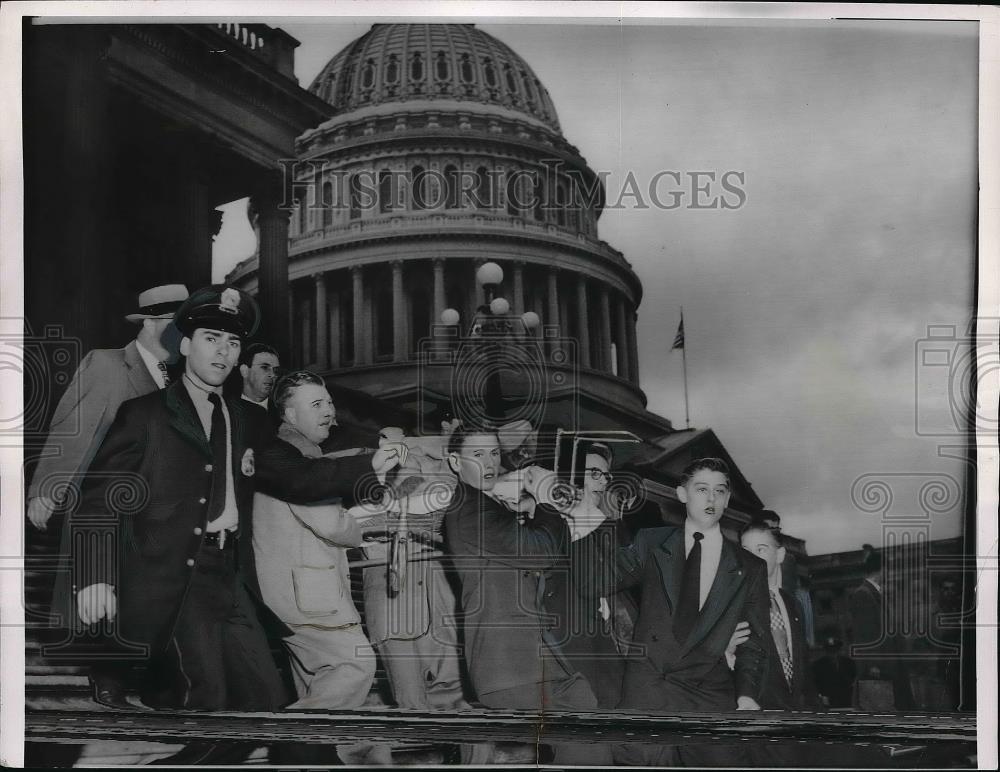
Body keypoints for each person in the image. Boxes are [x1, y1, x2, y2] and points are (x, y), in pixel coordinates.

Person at [72, 286, 286, 763]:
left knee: (263, 706)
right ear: (185, 345)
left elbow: (300, 465)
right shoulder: (144, 416)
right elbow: (96, 501)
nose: (223, 352)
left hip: (230, 578)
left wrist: (375, 456)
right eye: (212, 339)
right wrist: (95, 576)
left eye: (232, 344)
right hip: (174, 579)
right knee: (208, 702)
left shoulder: (247, 420)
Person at [26, 283, 189, 708]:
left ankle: (158, 680)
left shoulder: (180, 376)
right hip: (111, 504)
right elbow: (74, 426)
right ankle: (109, 678)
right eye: (178, 324)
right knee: (105, 590)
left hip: (161, 510)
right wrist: (47, 488)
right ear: (153, 323)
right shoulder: (109, 364)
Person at [442, 428, 612, 766]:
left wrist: (539, 505)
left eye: (493, 453)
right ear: (454, 462)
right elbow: (543, 552)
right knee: (584, 724)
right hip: (509, 666)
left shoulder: (488, 507)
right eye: (477, 455)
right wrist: (545, 499)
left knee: (586, 713)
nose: (490, 462)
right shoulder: (470, 511)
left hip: (529, 661)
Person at [610, 457, 769, 767]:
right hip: (648, 694)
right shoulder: (650, 543)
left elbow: (755, 641)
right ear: (682, 494)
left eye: (720, 491)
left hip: (709, 694)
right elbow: (595, 578)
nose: (711, 499)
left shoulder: (750, 567)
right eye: (701, 489)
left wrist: (747, 695)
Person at [251, 370, 380, 710]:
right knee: (356, 664)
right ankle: (288, 740)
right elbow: (331, 524)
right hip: (310, 596)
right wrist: (367, 525)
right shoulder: (300, 454)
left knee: (317, 686)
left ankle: (314, 754)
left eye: (330, 403)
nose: (329, 412)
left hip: (287, 594)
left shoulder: (282, 452)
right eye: (317, 404)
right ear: (289, 414)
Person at [541, 440, 629, 709]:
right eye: (594, 474)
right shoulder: (549, 525)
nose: (602, 483)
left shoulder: (606, 527)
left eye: (605, 476)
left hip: (606, 637)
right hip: (568, 641)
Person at [738, 520, 820, 710]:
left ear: (780, 555)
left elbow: (803, 667)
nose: (752, 558)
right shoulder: (735, 604)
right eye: (745, 550)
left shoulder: (793, 604)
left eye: (761, 549)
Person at [848, 545, 915, 710]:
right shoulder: (863, 594)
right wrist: (873, 665)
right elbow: (866, 634)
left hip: (888, 667)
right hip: (880, 671)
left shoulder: (873, 593)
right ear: (883, 569)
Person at [238, 342, 280, 408]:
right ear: (244, 371)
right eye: (265, 367)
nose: (272, 375)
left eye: (275, 370)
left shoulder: (282, 412)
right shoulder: (226, 409)